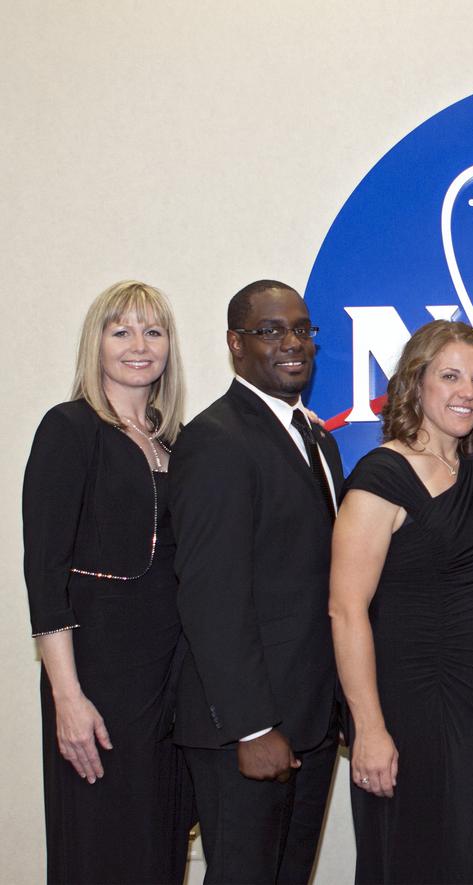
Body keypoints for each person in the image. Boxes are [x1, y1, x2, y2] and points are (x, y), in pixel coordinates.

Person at [169, 280, 342, 884]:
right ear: (235, 345)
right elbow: (210, 596)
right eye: (271, 330)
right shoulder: (215, 441)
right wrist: (252, 726)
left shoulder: (317, 439)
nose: (292, 343)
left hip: (311, 719)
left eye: (301, 329)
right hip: (247, 730)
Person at [23, 280, 193, 884]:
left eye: (153, 331)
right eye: (120, 330)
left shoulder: (178, 441)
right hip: (97, 676)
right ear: (95, 345)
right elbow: (43, 574)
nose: (138, 345)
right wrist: (67, 698)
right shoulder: (69, 429)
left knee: (159, 846)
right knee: (101, 845)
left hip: (169, 678)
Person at [330, 320, 473, 884]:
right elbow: (346, 609)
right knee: (403, 856)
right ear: (416, 383)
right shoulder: (383, 474)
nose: (466, 392)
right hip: (402, 699)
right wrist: (369, 729)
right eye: (450, 376)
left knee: (461, 857)